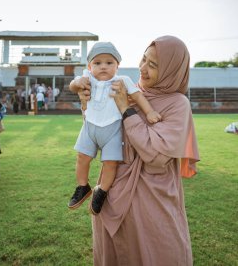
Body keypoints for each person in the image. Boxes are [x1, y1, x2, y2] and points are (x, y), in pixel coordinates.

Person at [76, 36, 200, 265]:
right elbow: (99, 134)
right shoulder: (128, 90)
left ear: (171, 71)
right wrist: (87, 104)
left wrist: (125, 108)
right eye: (144, 59)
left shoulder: (177, 104)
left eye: (153, 65)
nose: (142, 68)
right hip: (110, 195)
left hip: (151, 203)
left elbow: (155, 156)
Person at [68, 42, 161, 215]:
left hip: (112, 130)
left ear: (117, 66)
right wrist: (77, 82)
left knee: (110, 164)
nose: (103, 66)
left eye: (109, 63)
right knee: (82, 158)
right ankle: (82, 187)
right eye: (97, 63)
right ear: (89, 66)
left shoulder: (122, 80)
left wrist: (149, 112)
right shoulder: (87, 78)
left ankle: (101, 191)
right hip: (89, 127)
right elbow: (73, 85)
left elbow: (137, 96)